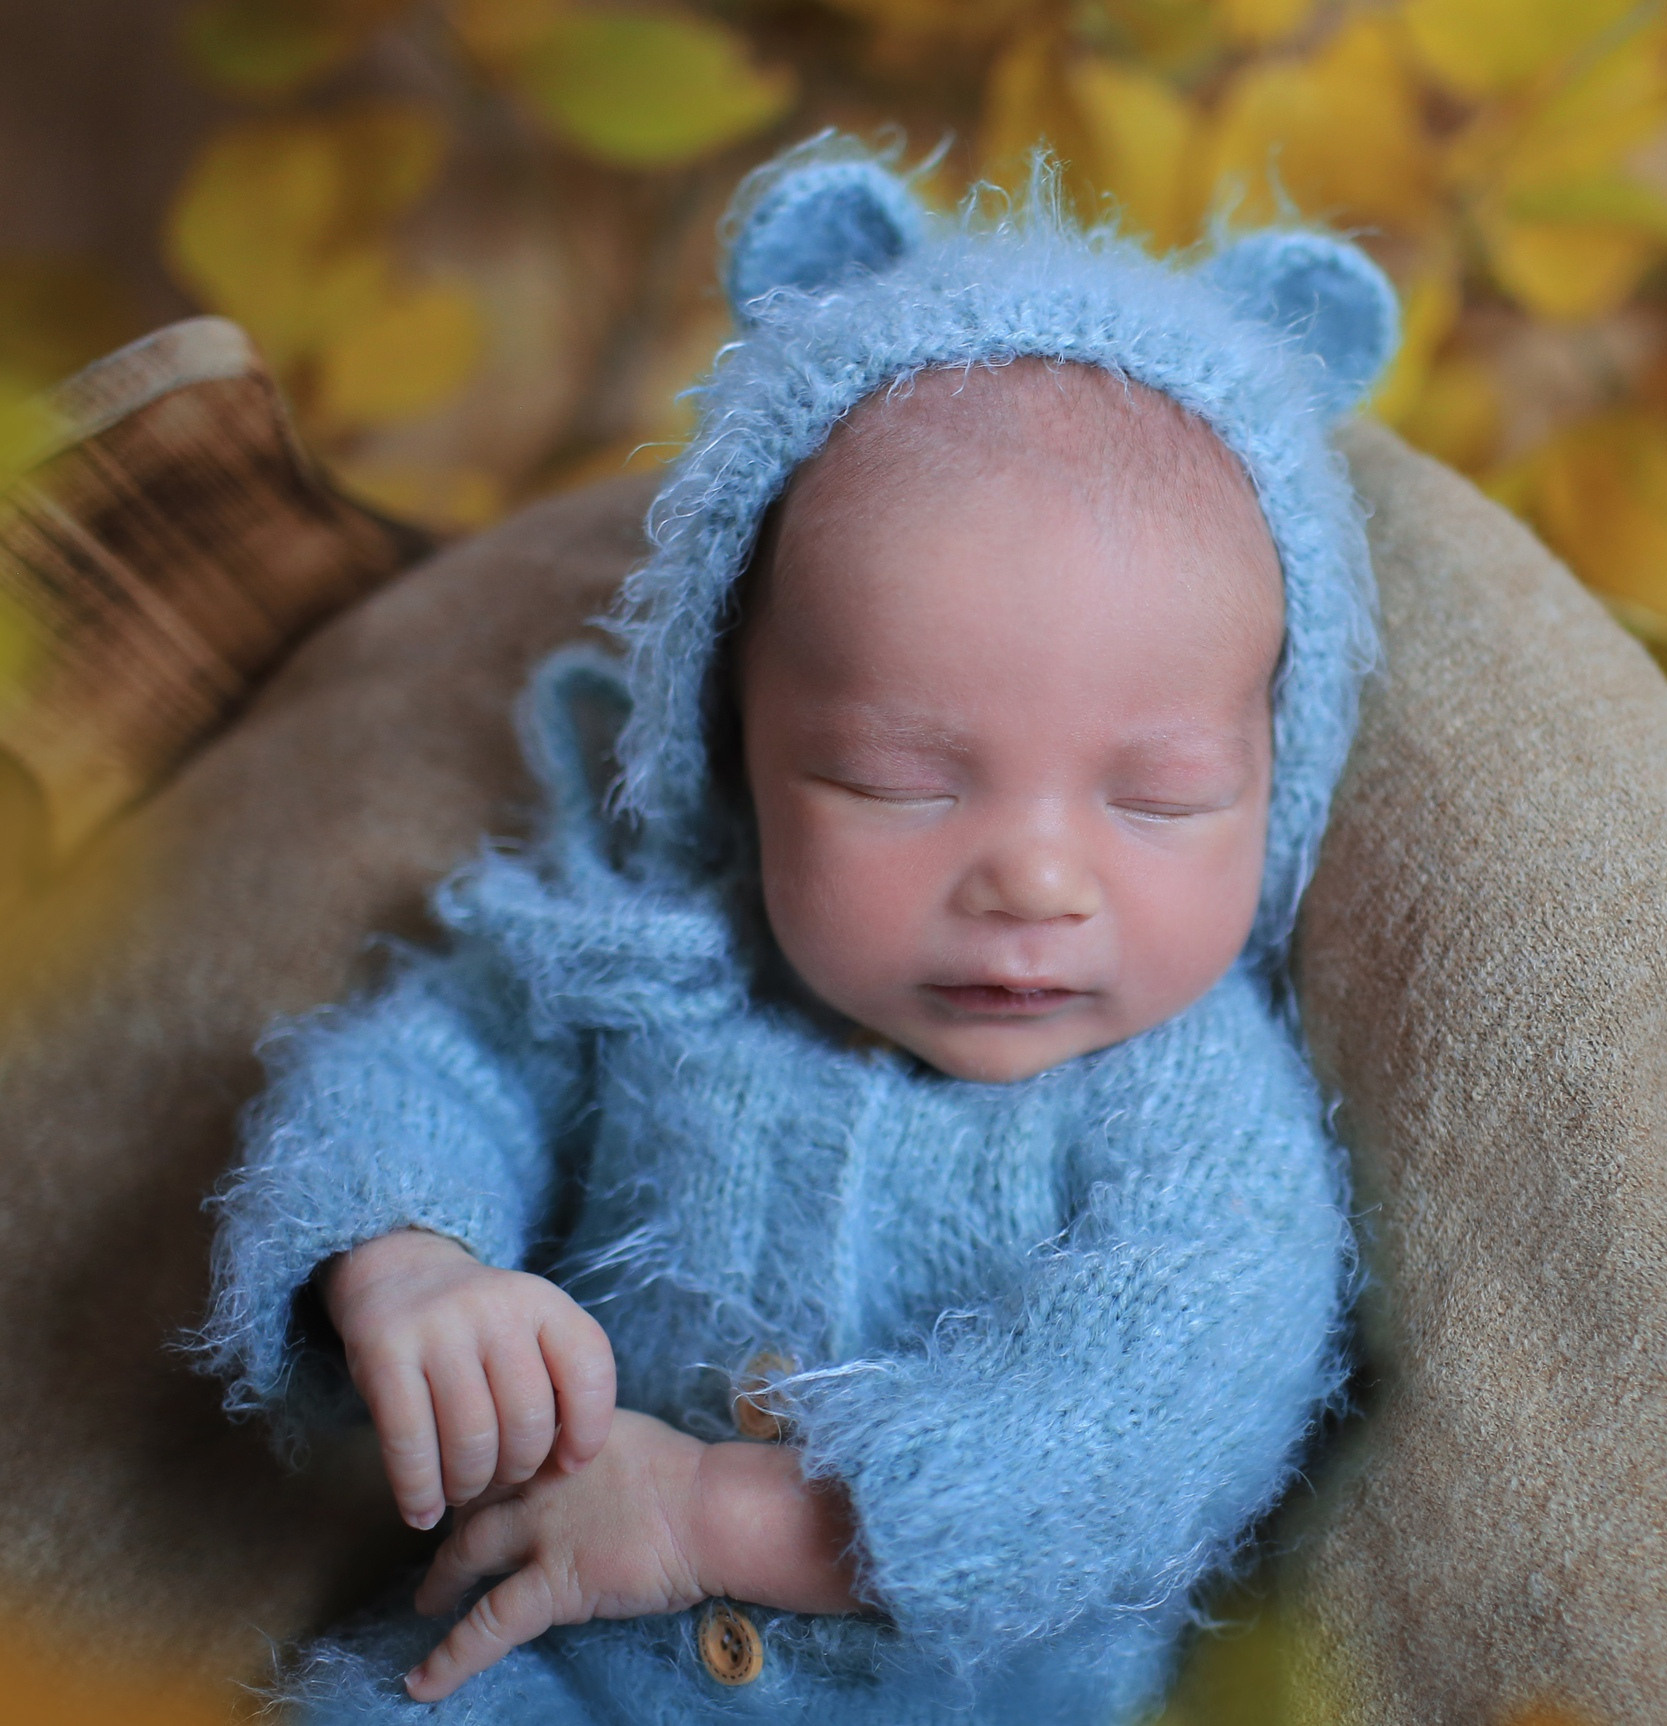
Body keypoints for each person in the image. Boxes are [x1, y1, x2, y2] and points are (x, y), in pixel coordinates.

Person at [192, 135, 1400, 1724]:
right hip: (539, 1663)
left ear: (1274, 781)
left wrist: (713, 1516)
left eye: (1162, 798)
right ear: (734, 747)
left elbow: (1140, 1426)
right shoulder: (653, 956)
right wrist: (406, 1257)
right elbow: (433, 1064)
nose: (1036, 881)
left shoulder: (1196, 1116)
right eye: (897, 783)